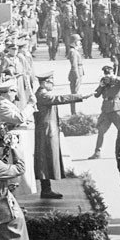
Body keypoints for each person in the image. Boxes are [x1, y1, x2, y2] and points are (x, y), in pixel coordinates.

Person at [33, 70, 91, 199]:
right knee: (44, 161)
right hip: (46, 131)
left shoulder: (42, 93)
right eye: (51, 82)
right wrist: (79, 96)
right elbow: (59, 99)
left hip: (47, 130)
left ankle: (46, 188)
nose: (52, 84)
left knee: (46, 160)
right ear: (45, 83)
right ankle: (45, 189)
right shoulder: (43, 95)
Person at [88, 65, 120, 160]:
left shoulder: (117, 81)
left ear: (113, 72)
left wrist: (116, 78)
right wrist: (101, 86)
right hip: (106, 110)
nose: (107, 75)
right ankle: (97, 152)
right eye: (105, 73)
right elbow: (97, 95)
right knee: (101, 130)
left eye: (109, 73)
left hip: (116, 109)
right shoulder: (104, 81)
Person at [66, 34, 84, 115]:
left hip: (78, 73)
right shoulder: (73, 52)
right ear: (74, 42)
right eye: (78, 41)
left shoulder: (74, 51)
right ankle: (73, 112)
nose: (80, 42)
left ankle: (74, 111)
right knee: (74, 94)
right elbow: (74, 65)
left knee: (75, 93)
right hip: (75, 74)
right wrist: (77, 76)